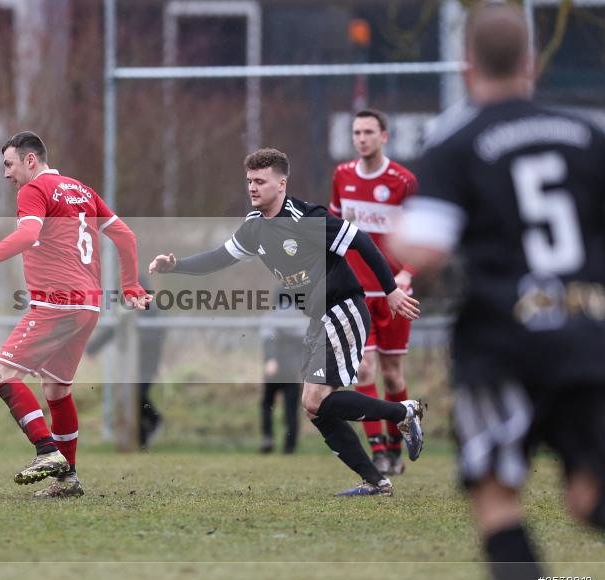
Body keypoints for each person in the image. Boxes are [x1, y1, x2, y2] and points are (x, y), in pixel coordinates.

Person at [391, 3, 605, 580]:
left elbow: (426, 249)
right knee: (590, 496)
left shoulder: (457, 143)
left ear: (467, 69)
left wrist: (396, 240)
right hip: (589, 336)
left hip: (502, 342)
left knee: (496, 497)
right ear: (532, 65)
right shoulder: (590, 138)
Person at [150, 147, 424, 497]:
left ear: (281, 184)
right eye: (249, 181)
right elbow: (219, 258)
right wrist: (177, 266)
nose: (252, 187)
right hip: (319, 318)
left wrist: (390, 292)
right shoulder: (254, 228)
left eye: (260, 181)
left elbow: (363, 241)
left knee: (314, 400)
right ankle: (377, 478)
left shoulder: (305, 218)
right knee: (316, 408)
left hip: (342, 308)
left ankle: (402, 413)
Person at [0, 131, 150, 498]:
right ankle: (67, 481)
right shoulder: (82, 191)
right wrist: (130, 285)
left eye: (9, 164)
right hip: (87, 306)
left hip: (57, 303)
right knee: (56, 389)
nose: (6, 174)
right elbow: (125, 236)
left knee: (0, 374)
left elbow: (26, 237)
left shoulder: (34, 190)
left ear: (30, 160)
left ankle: (47, 452)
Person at [330, 109, 419, 476]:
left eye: (369, 132)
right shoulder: (343, 176)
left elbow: (419, 234)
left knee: (393, 374)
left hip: (394, 293)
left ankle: (397, 448)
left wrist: (406, 273)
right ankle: (378, 451)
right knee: (363, 369)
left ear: (384, 136)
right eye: (356, 132)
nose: (361, 138)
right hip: (355, 292)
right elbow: (334, 231)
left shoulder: (403, 181)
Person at [86, 274, 166, 449]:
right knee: (130, 399)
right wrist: (92, 349)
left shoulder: (152, 313)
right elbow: (112, 329)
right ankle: (143, 439)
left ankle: (154, 420)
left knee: (137, 396)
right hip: (129, 366)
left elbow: (152, 338)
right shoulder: (126, 312)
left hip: (146, 366)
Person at [258, 287, 303, 455]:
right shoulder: (299, 318)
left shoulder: (271, 317)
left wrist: (270, 359)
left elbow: (268, 340)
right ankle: (289, 446)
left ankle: (267, 437)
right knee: (291, 408)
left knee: (266, 404)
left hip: (274, 368)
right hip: (293, 369)